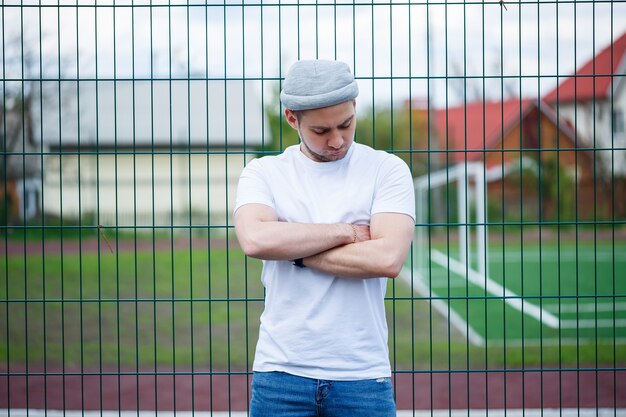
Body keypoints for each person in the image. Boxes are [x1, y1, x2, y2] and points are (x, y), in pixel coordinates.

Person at [233, 59, 415, 417]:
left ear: (355, 107)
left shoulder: (387, 169)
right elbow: (255, 240)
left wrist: (292, 248)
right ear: (292, 119)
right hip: (280, 373)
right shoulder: (263, 173)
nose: (337, 139)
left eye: (346, 124)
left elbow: (387, 259)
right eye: (320, 131)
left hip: (362, 375)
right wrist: (346, 233)